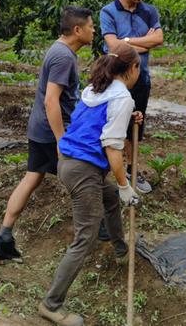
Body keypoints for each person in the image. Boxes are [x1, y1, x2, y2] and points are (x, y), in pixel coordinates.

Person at [38, 42, 142, 326]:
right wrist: (124, 186)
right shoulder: (122, 97)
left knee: (107, 198)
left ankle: (121, 250)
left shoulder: (97, 88)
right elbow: (112, 147)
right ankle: (51, 304)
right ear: (132, 69)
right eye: (138, 70)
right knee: (85, 237)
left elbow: (97, 122)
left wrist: (127, 116)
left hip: (71, 163)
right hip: (83, 170)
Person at [0, 7, 94, 261]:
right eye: (91, 26)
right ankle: (96, 233)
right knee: (86, 177)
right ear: (77, 30)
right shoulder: (63, 57)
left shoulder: (60, 51)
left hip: (39, 128)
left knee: (32, 178)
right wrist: (61, 140)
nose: (93, 31)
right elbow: (51, 101)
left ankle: (4, 236)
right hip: (51, 131)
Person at [100, 0, 163, 194]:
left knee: (136, 125)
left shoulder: (149, 11)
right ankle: (110, 171)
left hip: (141, 79)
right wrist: (142, 42)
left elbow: (159, 39)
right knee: (115, 126)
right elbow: (112, 46)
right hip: (116, 81)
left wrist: (126, 40)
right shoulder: (108, 12)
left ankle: (131, 169)